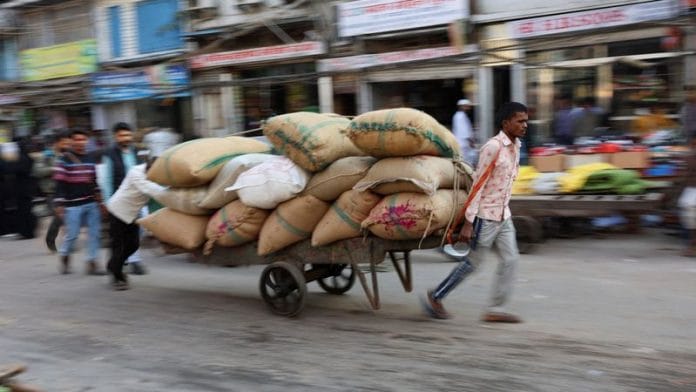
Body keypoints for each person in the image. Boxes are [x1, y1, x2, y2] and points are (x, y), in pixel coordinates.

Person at [423, 102, 528, 322]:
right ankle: (436, 296)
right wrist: (469, 221)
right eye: (520, 121)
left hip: (503, 215)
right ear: (506, 122)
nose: (524, 125)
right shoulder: (493, 147)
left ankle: (496, 310)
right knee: (473, 263)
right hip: (486, 216)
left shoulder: (516, 146)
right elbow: (478, 185)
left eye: (525, 121)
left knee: (511, 259)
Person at [106, 158, 165, 290]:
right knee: (118, 246)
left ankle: (113, 265)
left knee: (133, 245)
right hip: (117, 211)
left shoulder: (154, 175)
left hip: (132, 214)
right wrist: (170, 194)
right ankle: (117, 277)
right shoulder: (136, 172)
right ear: (148, 168)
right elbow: (150, 188)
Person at [53, 129, 106, 275]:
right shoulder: (63, 160)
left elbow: (94, 180)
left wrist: (100, 200)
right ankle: (65, 255)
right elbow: (59, 184)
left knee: (94, 233)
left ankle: (92, 262)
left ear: (87, 141)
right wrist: (59, 204)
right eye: (76, 139)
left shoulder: (90, 158)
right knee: (73, 235)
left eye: (83, 139)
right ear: (70, 141)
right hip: (72, 205)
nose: (80, 142)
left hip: (91, 202)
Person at [101, 122, 148, 275]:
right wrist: (108, 204)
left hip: (136, 202)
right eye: (121, 135)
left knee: (135, 238)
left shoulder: (137, 153)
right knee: (118, 240)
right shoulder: (109, 155)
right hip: (118, 204)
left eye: (128, 135)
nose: (125, 138)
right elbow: (107, 181)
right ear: (116, 137)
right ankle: (118, 274)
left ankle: (122, 261)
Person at [44, 131, 72, 252]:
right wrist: (55, 168)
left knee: (70, 216)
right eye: (63, 142)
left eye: (67, 142)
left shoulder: (69, 155)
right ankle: (50, 239)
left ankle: (69, 242)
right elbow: (37, 170)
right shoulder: (48, 155)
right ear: (56, 143)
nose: (66, 144)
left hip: (67, 190)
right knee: (58, 217)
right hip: (52, 191)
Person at [452, 99, 477, 165]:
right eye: (466, 106)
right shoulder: (460, 116)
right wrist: (470, 141)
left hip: (464, 144)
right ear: (461, 107)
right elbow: (464, 131)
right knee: (466, 162)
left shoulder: (461, 115)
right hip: (463, 144)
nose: (468, 108)